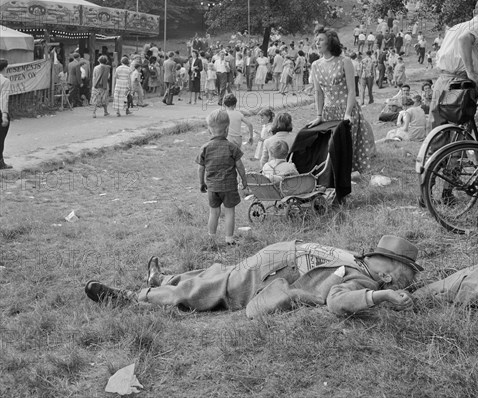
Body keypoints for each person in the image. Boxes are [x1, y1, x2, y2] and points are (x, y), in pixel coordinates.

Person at [84, 235, 421, 317]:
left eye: (379, 260)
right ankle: (162, 279)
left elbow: (336, 301)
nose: (370, 256)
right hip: (275, 258)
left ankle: (131, 298)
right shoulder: (359, 264)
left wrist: (378, 297)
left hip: (269, 275)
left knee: (207, 287)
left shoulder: (364, 282)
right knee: (215, 272)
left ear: (387, 278)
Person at [308, 26, 375, 174]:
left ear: (330, 42)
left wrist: (348, 113)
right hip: (328, 112)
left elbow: (352, 90)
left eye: (321, 40)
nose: (317, 43)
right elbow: (318, 93)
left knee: (347, 146)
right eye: (316, 40)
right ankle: (332, 176)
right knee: (330, 147)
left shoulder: (344, 61)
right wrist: (319, 116)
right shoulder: (315, 65)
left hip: (347, 109)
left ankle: (348, 177)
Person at [429, 0, 478, 129]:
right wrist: (471, 72)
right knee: (459, 128)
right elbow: (464, 39)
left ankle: (436, 150)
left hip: (442, 78)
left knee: (437, 127)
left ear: (473, 12)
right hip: (460, 81)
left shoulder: (455, 27)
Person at [196, 109, 248, 246]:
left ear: (209, 131)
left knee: (214, 212)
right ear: (227, 130)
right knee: (230, 212)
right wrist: (244, 180)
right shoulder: (232, 147)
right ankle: (229, 239)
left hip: (213, 187)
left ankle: (211, 239)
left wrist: (202, 183)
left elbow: (201, 168)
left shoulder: (205, 148)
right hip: (229, 187)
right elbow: (240, 166)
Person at [0, 59, 12, 170]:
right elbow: (4, 98)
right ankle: (0, 162)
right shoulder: (5, 81)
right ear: (5, 68)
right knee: (1, 138)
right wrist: (4, 115)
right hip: (0, 111)